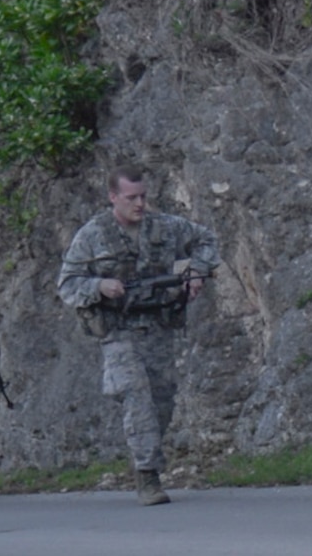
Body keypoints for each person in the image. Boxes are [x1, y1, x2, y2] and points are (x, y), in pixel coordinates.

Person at [57, 165, 218, 505]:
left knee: (162, 402)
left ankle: (148, 462)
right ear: (113, 197)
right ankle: (148, 476)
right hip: (119, 332)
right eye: (131, 198)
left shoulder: (166, 227)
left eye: (144, 196)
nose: (140, 204)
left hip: (159, 328)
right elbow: (67, 284)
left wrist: (194, 273)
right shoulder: (92, 235)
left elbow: (207, 240)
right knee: (137, 398)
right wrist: (99, 285)